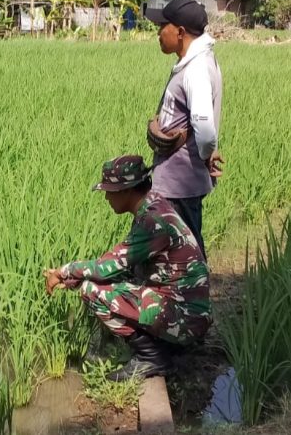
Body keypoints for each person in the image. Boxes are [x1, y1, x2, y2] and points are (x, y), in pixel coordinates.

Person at [45, 155, 211, 381]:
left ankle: (152, 357)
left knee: (91, 291)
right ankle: (163, 346)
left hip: (186, 318)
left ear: (127, 190)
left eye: (109, 191)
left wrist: (64, 271)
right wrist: (70, 278)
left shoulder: (153, 221)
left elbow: (106, 268)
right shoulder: (155, 206)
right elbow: (123, 268)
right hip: (185, 310)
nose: (105, 197)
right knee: (106, 282)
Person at [144, 0, 224, 258]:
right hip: (178, 181)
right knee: (180, 250)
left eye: (162, 26)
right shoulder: (195, 61)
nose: (158, 32)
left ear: (179, 32)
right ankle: (186, 296)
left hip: (180, 182)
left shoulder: (196, 69)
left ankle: (194, 297)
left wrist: (206, 154)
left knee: (186, 253)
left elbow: (203, 125)